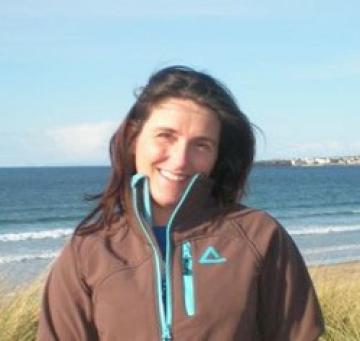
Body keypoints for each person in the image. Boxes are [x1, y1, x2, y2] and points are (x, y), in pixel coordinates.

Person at [37, 65, 324, 340]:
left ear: (216, 157)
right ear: (134, 139)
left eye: (201, 144)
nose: (180, 160)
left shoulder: (259, 236)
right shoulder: (88, 251)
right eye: (165, 136)